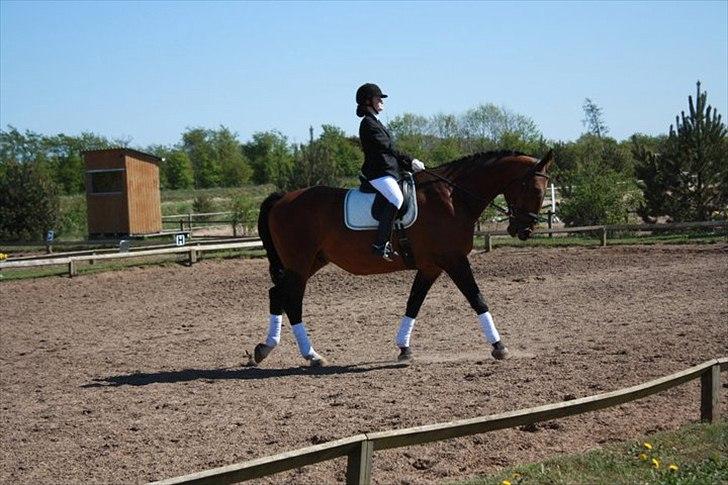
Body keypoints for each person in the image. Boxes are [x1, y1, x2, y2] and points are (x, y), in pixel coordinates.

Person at [356, 83, 425, 261]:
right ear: (368, 101)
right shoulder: (368, 124)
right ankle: (380, 244)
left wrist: (408, 167)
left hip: (390, 171)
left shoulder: (376, 122)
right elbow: (389, 149)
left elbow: (390, 151)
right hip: (378, 174)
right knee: (396, 198)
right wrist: (411, 161)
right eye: (378, 98)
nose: (381, 101)